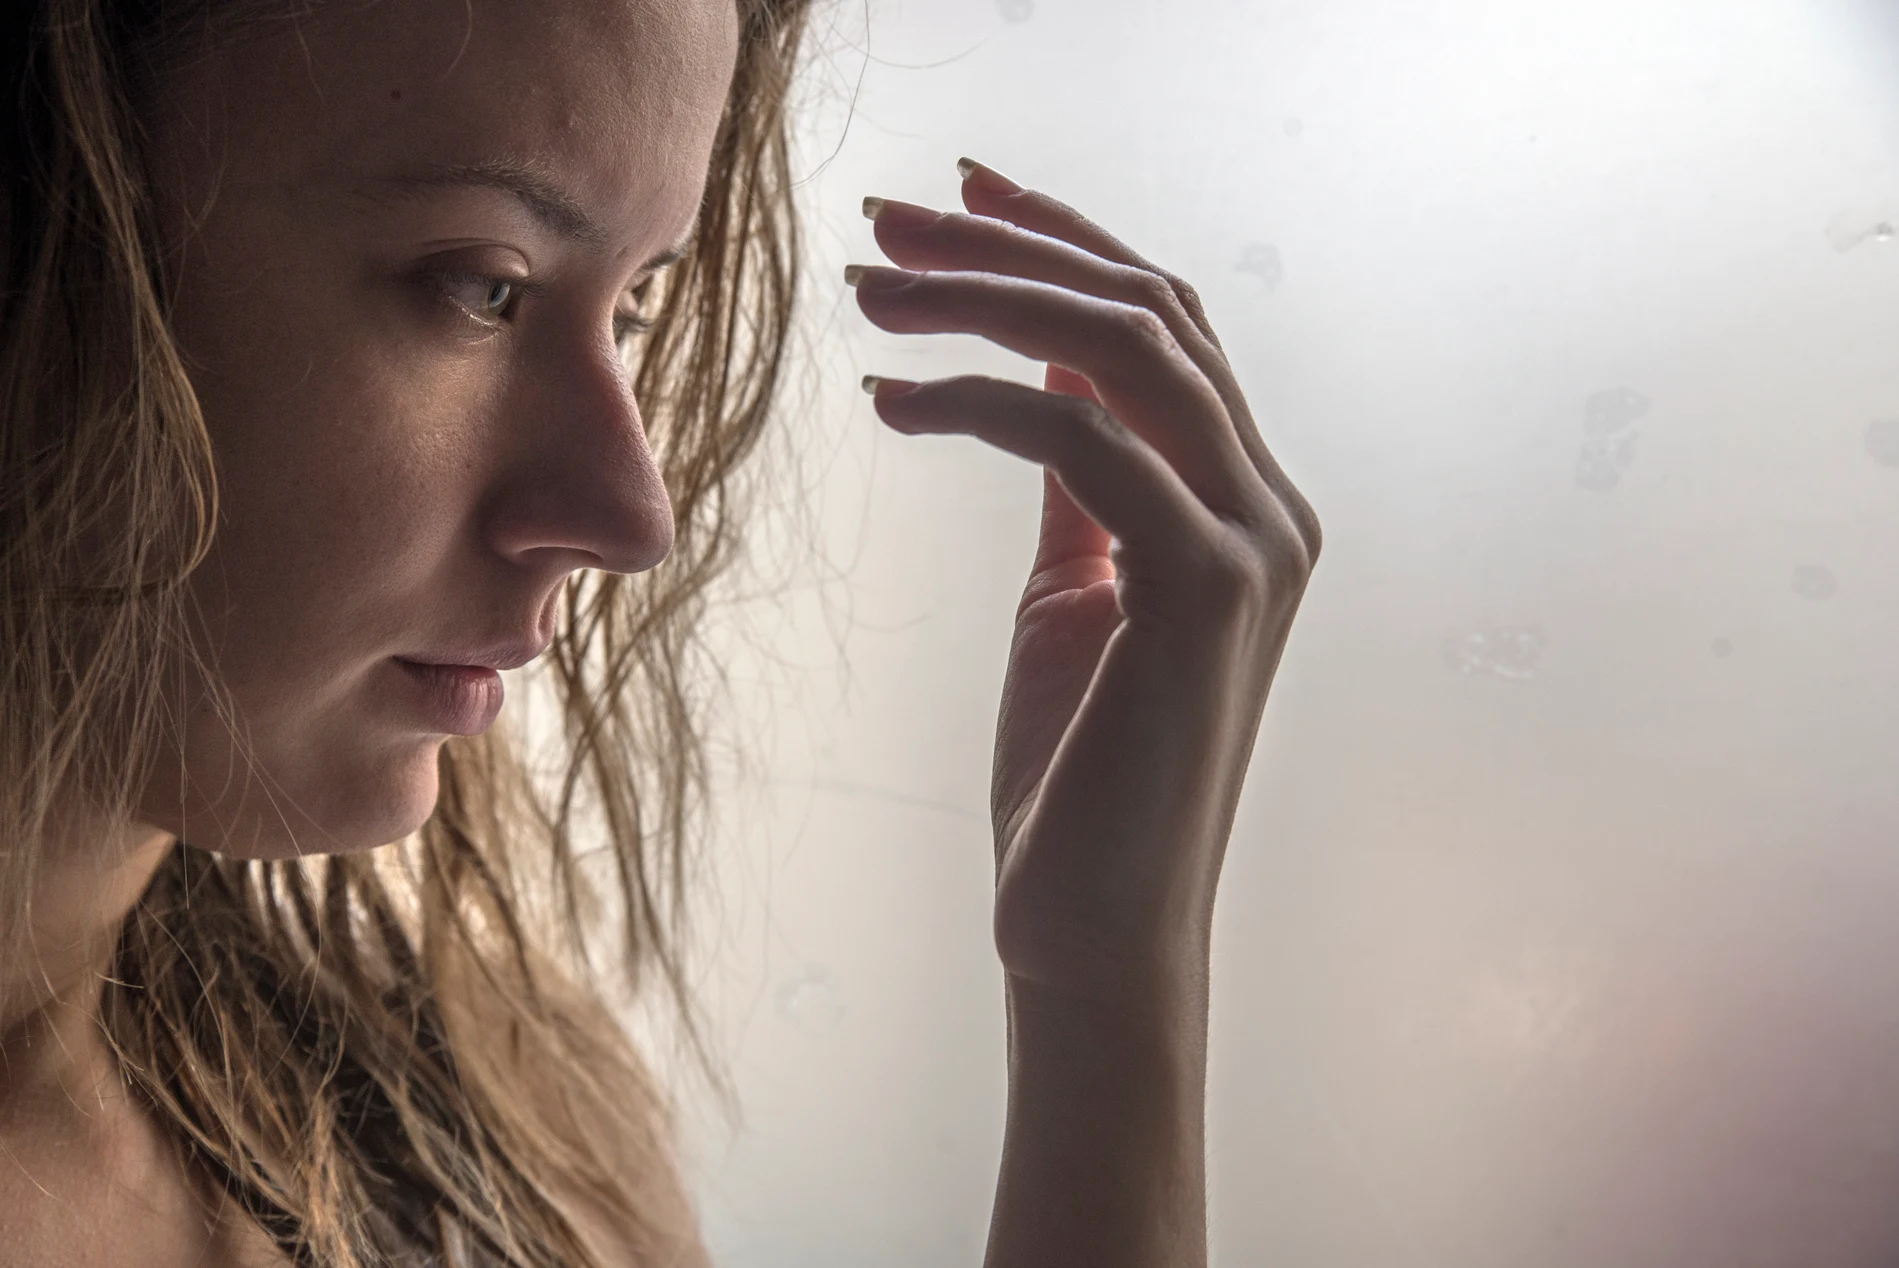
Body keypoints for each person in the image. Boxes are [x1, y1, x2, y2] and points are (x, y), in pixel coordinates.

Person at [0, 0, 1323, 1263]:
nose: (633, 516)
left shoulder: (461, 1133)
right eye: (482, 288)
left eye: (631, 310)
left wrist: (1104, 989)